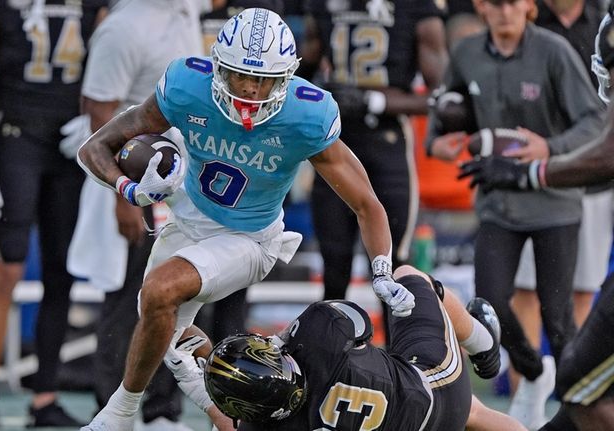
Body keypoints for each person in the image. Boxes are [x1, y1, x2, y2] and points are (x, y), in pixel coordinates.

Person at [76, 7, 416, 431]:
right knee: (169, 336)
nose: (252, 90)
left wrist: (382, 269)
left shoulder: (306, 114)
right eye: (241, 75)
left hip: (251, 238)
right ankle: (240, 424)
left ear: (287, 77)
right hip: (188, 220)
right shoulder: (186, 86)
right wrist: (130, 190)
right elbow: (94, 148)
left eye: (265, 80)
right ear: (218, 66)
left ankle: (119, 414)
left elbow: (367, 202)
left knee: (161, 291)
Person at [426, 0, 604, 427]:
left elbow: (596, 121)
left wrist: (549, 148)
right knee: (488, 301)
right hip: (497, 203)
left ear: (528, 5)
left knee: (559, 318)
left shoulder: (555, 51)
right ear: (480, 6)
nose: (504, 10)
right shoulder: (466, 54)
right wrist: (439, 142)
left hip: (554, 201)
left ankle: (574, 411)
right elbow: (442, 117)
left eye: (513, 1)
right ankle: (536, 372)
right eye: (495, 2)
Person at [63, 0, 217, 429]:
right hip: (135, 175)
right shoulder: (124, 27)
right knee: (128, 294)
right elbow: (99, 111)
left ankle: (161, 409)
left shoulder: (183, 9)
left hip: (182, 177)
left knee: (179, 295)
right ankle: (111, 406)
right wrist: (123, 196)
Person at [0, 0, 107, 427]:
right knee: (8, 264)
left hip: (70, 142)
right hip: (17, 137)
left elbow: (113, 58)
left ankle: (44, 396)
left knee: (61, 273)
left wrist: (97, 123)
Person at [204, 265, 526, 431]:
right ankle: (484, 345)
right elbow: (360, 326)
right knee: (408, 276)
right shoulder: (318, 333)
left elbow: (227, 421)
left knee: (469, 413)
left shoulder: (264, 426)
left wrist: (196, 375)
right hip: (432, 396)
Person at [303, 0, 448, 310]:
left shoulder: (416, 10)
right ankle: (329, 355)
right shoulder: (323, 6)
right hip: (334, 140)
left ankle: (402, 357)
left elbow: (442, 95)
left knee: (393, 269)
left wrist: (374, 101)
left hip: (388, 140)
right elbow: (298, 72)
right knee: (334, 262)